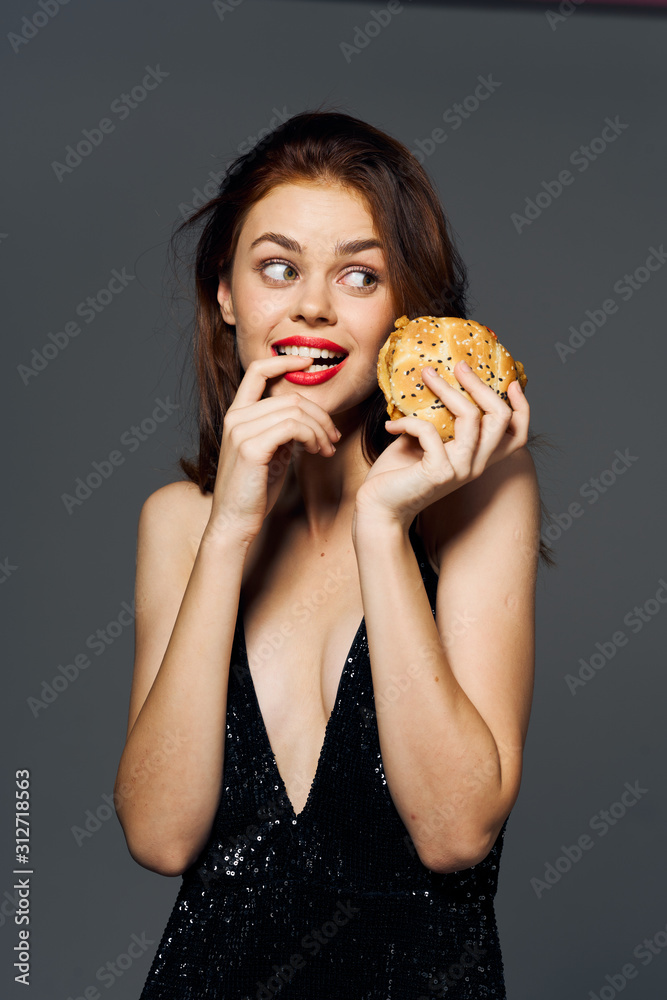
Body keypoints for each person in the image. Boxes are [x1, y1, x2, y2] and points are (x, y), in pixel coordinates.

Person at [114, 108, 553, 998]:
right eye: (278, 268)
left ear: (403, 313)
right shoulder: (176, 521)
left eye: (359, 275)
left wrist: (384, 529)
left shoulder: (481, 503)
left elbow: (453, 831)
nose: (311, 304)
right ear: (225, 295)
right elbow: (160, 836)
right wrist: (229, 530)